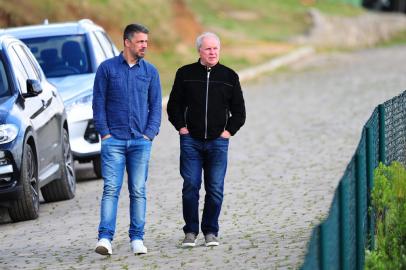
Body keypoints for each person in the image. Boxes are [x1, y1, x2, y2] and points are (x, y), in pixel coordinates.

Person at [167, 32, 246, 247]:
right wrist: (181, 128)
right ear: (199, 51)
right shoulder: (185, 74)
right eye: (208, 49)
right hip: (191, 140)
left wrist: (228, 132)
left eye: (216, 49)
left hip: (218, 142)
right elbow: (173, 105)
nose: (212, 52)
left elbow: (239, 111)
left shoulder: (229, 76)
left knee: (215, 189)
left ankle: (211, 231)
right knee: (191, 186)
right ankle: (190, 231)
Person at [92, 23, 161, 255]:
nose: (144, 46)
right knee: (111, 189)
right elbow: (98, 104)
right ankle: (105, 239)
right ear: (127, 42)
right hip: (114, 141)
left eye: (146, 42)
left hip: (140, 142)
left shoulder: (150, 72)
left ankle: (137, 239)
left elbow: (156, 107)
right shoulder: (107, 69)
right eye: (141, 42)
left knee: (138, 190)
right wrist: (105, 133)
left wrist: (149, 134)